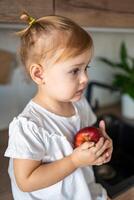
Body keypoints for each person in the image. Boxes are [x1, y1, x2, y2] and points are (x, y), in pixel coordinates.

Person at [5, 12, 113, 200]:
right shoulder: (29, 126)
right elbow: (26, 181)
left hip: (83, 192)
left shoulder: (79, 103)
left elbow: (87, 138)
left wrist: (99, 147)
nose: (85, 78)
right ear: (39, 74)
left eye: (86, 68)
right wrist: (74, 161)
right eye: (74, 71)